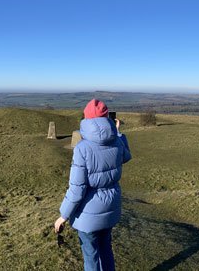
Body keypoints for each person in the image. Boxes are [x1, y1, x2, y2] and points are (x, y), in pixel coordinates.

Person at [54, 99, 132, 271]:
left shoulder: (82, 148)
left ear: (87, 119)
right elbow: (126, 157)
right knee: (106, 249)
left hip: (87, 215)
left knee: (91, 256)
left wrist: (63, 216)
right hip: (110, 207)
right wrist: (118, 134)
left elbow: (77, 189)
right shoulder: (116, 142)